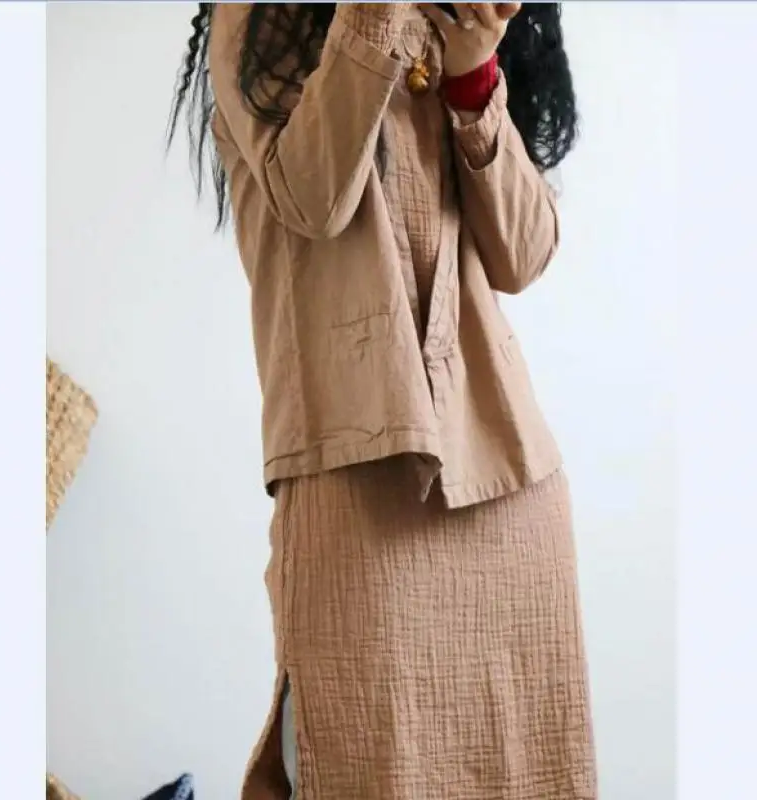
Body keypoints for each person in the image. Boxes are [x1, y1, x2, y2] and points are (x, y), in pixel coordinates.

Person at [169, 3, 596, 798]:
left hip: (508, 477)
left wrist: (474, 73)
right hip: (355, 472)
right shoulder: (255, 18)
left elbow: (525, 254)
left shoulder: (454, 26)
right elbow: (312, 196)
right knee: (352, 766)